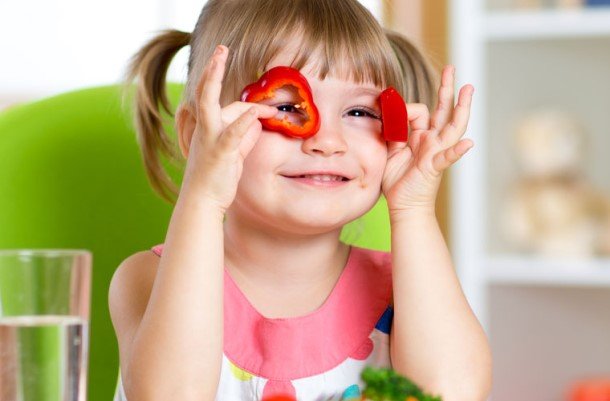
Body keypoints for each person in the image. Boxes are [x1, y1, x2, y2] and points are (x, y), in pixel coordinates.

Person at [108, 1, 492, 401]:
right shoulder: (148, 279)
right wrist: (202, 195)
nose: (327, 141)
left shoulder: (408, 288)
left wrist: (413, 211)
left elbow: (453, 394)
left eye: (360, 111)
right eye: (287, 106)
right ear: (197, 135)